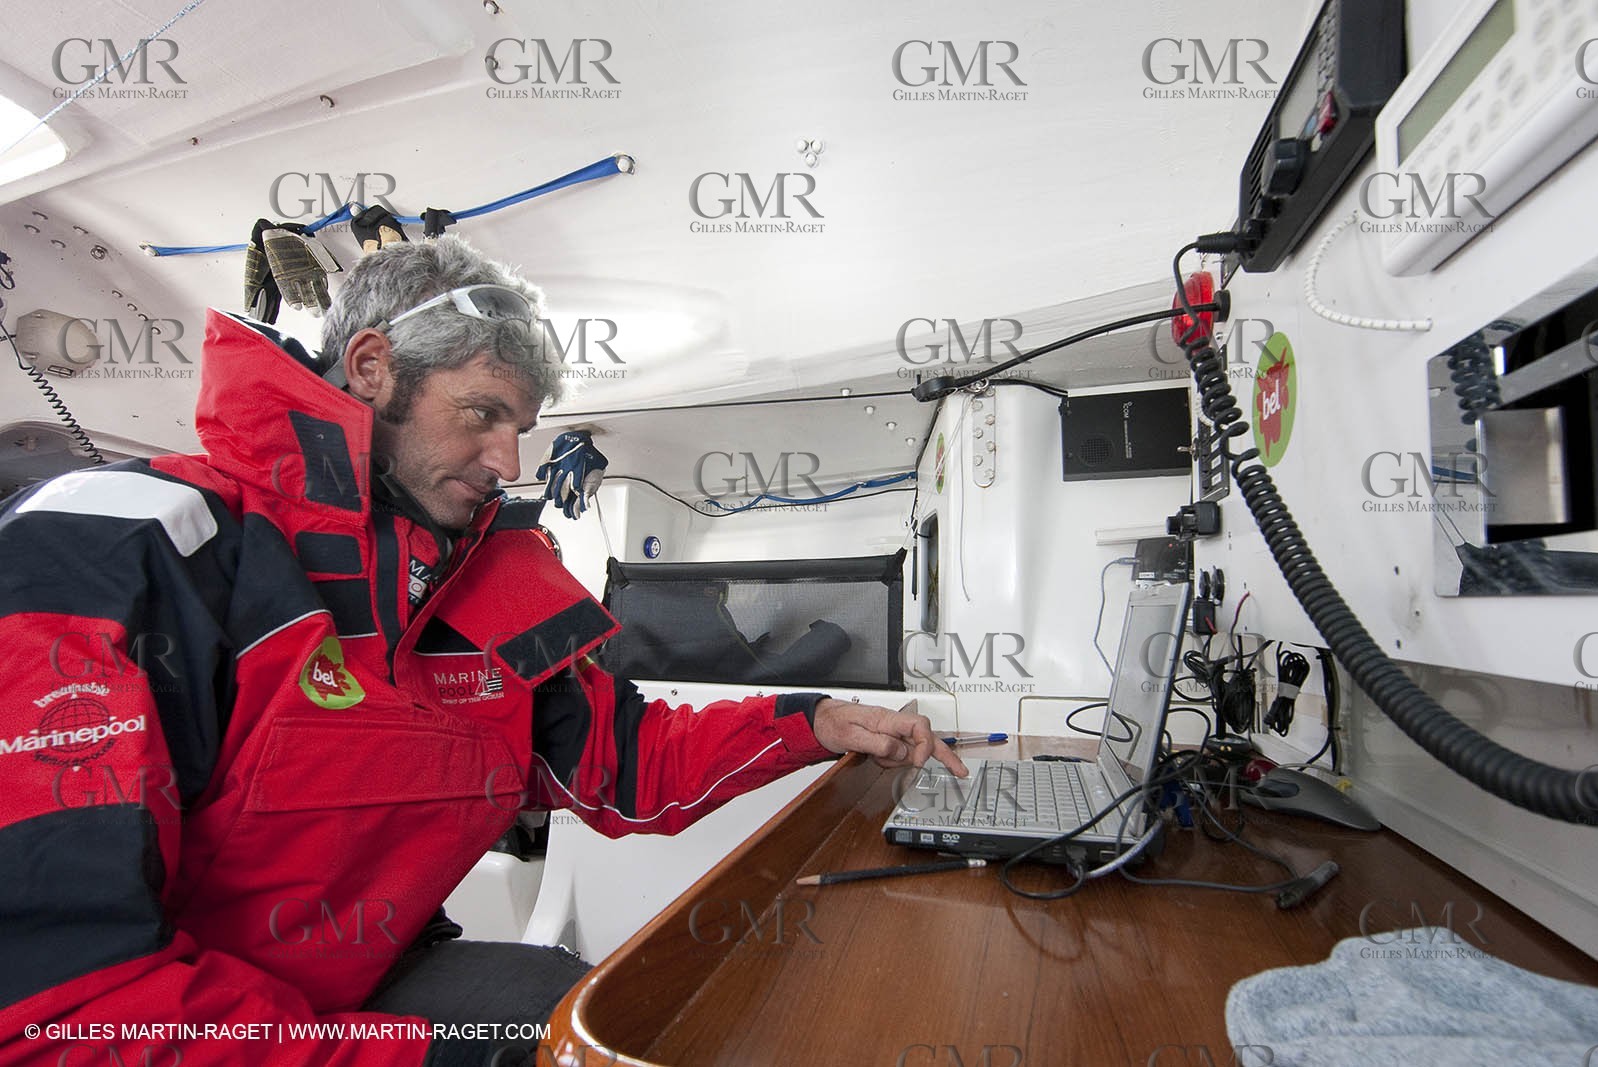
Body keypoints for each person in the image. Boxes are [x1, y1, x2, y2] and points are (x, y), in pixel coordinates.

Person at [0, 236, 966, 1067]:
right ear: (371, 367)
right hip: (192, 1026)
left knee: (614, 1024)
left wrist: (812, 722)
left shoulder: (493, 579)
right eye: (482, 413)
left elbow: (623, 763)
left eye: (522, 428)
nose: (510, 463)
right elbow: (65, 1003)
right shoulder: (124, 549)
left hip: (377, 979)